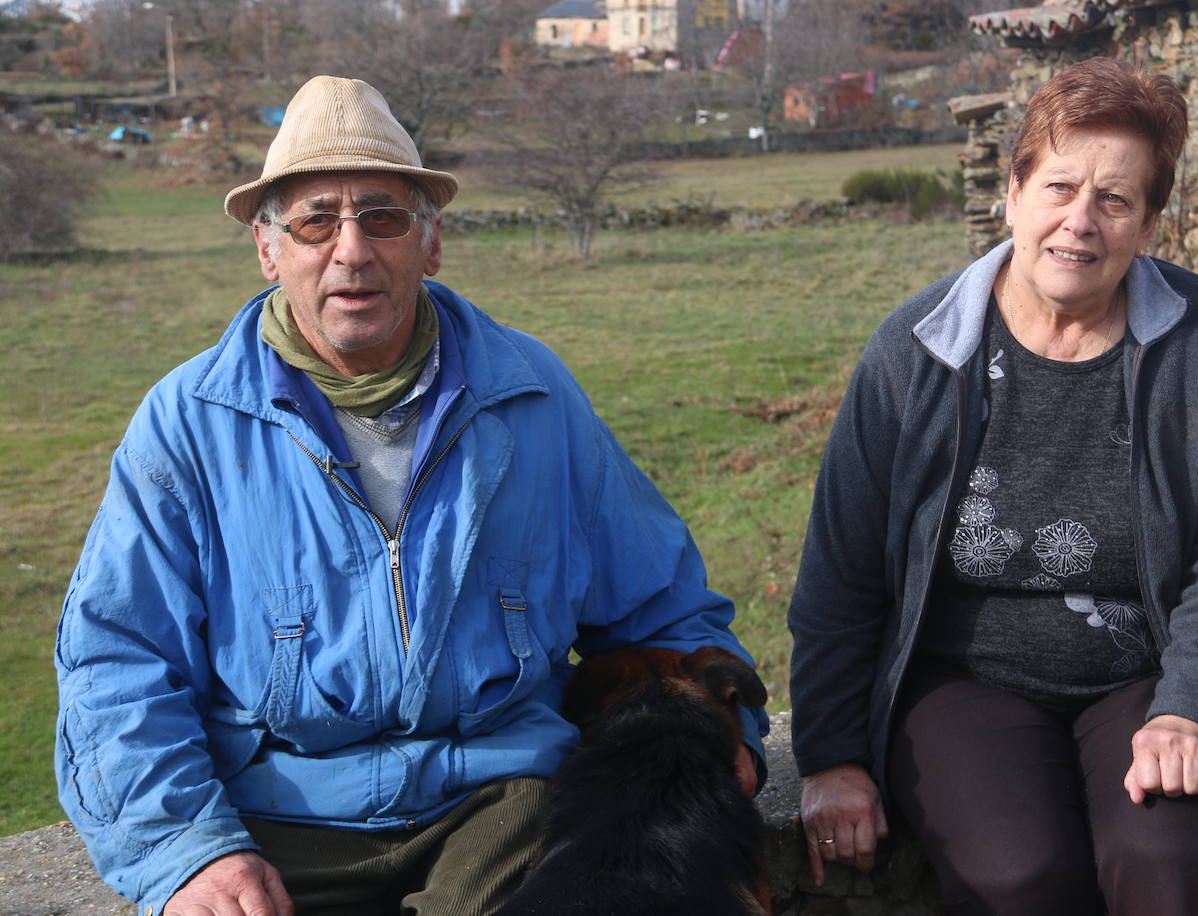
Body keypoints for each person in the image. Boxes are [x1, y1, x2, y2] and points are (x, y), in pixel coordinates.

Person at [54, 75, 766, 916]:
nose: (351, 250)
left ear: (431, 243)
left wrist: (730, 732)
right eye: (317, 219)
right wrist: (184, 851)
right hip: (279, 816)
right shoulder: (188, 423)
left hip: (501, 805)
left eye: (383, 217)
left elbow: (660, 604)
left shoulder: (528, 393)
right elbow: (116, 664)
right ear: (267, 247)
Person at [788, 58, 1198, 915]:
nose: (1080, 222)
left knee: (1176, 856)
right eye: (1059, 187)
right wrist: (831, 756)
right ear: (1013, 193)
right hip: (964, 680)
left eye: (1116, 201)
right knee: (1017, 869)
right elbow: (842, 568)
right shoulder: (915, 349)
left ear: (1150, 222)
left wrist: (1191, 710)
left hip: (1145, 671)